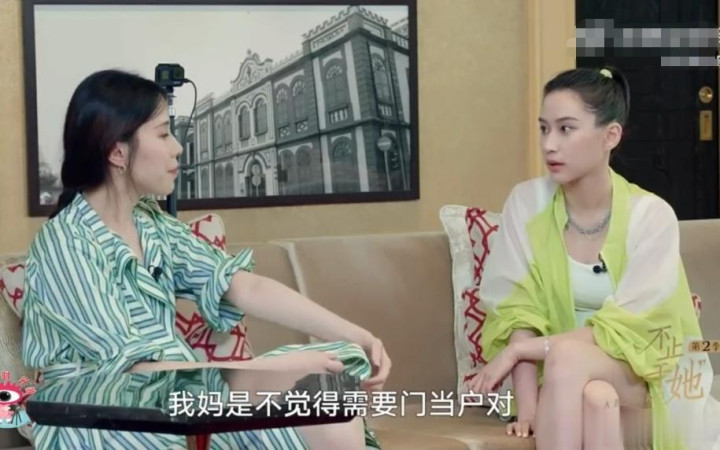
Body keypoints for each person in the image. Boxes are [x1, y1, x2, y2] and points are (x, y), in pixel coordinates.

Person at [21, 69, 391, 449]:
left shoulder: (150, 223)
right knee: (300, 380)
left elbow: (245, 286)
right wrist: (266, 374)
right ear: (118, 152)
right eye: (163, 134)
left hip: (184, 399)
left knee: (337, 368)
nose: (177, 148)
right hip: (102, 418)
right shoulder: (64, 244)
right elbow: (133, 372)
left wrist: (358, 337)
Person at [466, 67, 718, 449]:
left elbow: (627, 331)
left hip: (647, 370)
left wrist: (521, 351)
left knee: (568, 356)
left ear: (610, 136)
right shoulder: (527, 203)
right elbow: (517, 311)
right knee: (595, 396)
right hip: (562, 377)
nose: (550, 145)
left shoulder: (651, 216)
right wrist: (527, 409)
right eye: (544, 129)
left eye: (566, 129)